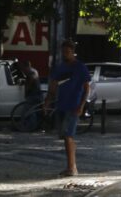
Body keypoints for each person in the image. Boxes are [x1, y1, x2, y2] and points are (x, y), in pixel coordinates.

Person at [44, 39, 91, 177]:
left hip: (74, 105)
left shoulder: (80, 67)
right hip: (61, 104)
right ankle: (72, 165)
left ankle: (72, 168)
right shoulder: (59, 68)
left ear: (73, 52)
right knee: (66, 136)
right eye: (64, 52)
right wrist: (47, 101)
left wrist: (82, 105)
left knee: (68, 135)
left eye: (68, 52)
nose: (66, 54)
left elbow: (86, 88)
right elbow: (52, 86)